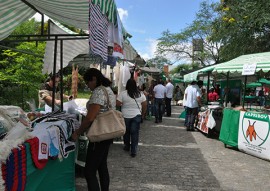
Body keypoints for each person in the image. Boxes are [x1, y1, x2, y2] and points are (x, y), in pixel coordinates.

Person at [71, 68, 115, 191]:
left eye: (88, 82)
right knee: (101, 166)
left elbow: (90, 117)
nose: (88, 86)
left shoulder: (99, 91)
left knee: (89, 171)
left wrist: (78, 132)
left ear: (94, 79)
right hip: (107, 132)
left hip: (99, 134)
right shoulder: (108, 89)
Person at [117, 79, 147, 157]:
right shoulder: (140, 94)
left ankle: (127, 146)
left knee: (126, 132)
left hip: (125, 115)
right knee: (135, 133)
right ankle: (133, 150)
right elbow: (144, 104)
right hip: (137, 115)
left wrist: (124, 103)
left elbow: (117, 103)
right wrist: (143, 114)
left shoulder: (123, 94)